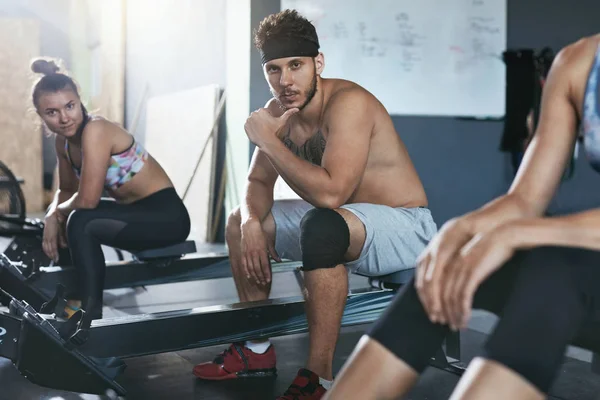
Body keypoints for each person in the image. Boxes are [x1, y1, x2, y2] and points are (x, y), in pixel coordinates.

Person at [324, 33, 600, 400]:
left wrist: (519, 234)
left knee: (557, 268)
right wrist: (461, 229)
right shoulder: (578, 63)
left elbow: (526, 227)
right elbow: (524, 199)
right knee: (447, 265)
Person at [192, 9, 437, 400]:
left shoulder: (348, 103)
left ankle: (318, 377)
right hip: (343, 223)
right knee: (241, 219)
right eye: (274, 69)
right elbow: (257, 181)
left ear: (317, 63)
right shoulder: (280, 114)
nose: (285, 81)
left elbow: (330, 194)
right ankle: (256, 350)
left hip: (404, 227)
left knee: (321, 224)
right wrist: (253, 220)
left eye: (296, 65)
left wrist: (268, 140)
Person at [33, 58, 190, 320]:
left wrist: (55, 214)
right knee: (68, 219)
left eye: (69, 106)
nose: (63, 118)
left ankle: (89, 315)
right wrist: (52, 214)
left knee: (80, 220)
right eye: (52, 112)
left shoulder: (95, 130)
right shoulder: (62, 143)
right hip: (133, 214)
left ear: (79, 99)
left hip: (166, 217)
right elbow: (66, 190)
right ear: (41, 116)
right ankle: (64, 298)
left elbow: (86, 200)